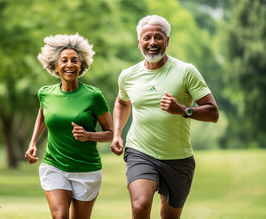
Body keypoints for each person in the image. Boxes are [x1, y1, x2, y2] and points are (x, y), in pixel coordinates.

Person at [110, 15, 219, 219]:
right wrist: (117, 133)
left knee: (169, 216)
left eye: (158, 37)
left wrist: (183, 110)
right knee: (140, 206)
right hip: (140, 151)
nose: (152, 42)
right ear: (139, 42)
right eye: (147, 37)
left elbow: (213, 112)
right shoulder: (128, 75)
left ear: (167, 41)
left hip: (178, 159)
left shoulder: (186, 71)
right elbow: (122, 102)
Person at [25, 33, 113, 219]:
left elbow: (112, 134)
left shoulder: (94, 96)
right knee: (60, 216)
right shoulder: (45, 94)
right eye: (64, 60)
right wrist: (33, 142)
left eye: (75, 60)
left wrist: (89, 135)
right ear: (55, 66)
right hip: (54, 165)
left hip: (87, 169)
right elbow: (42, 114)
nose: (69, 64)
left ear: (81, 66)